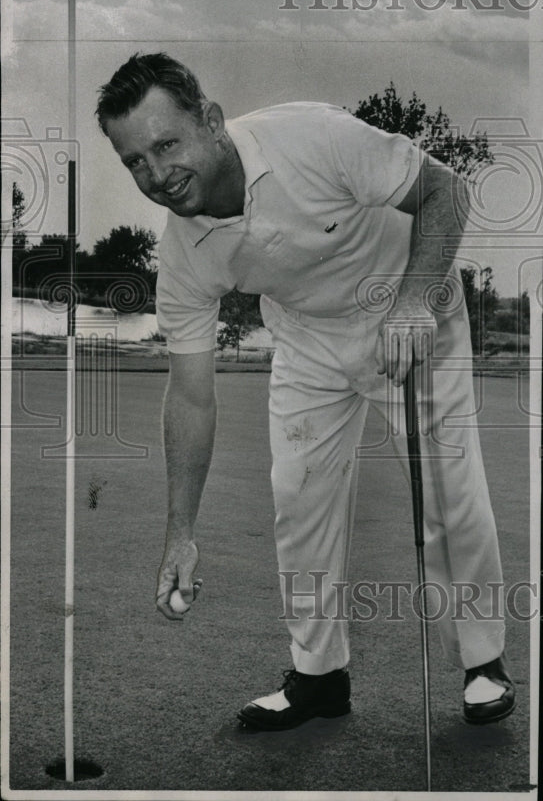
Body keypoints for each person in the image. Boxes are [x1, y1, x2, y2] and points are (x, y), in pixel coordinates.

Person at [96, 52, 515, 731]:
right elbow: (192, 396)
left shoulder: (310, 137)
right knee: (299, 497)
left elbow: (445, 192)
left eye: (166, 145)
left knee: (448, 487)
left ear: (209, 121)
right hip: (307, 339)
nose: (156, 175)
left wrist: (412, 301)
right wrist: (181, 534)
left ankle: (481, 663)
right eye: (134, 161)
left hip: (409, 309)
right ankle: (318, 679)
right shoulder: (185, 254)